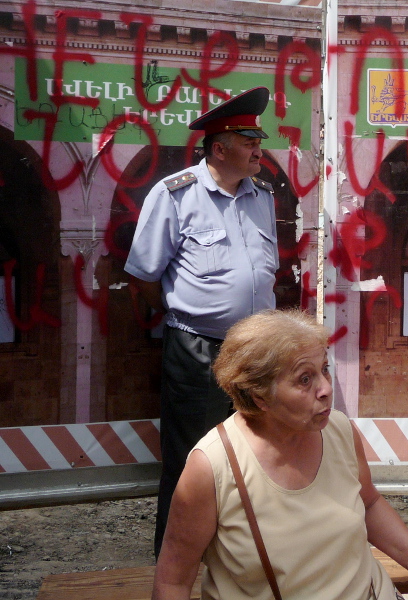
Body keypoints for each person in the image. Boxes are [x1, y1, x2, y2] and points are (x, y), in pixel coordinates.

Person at [152, 309, 408, 600]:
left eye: (324, 369)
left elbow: (368, 502)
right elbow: (172, 581)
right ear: (259, 396)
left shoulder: (339, 430)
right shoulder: (213, 465)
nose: (326, 389)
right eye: (304, 379)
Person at [124, 87, 279, 557]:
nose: (259, 150)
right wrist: (183, 313)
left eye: (258, 140)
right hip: (198, 349)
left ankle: (239, 557)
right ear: (219, 149)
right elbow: (143, 276)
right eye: (249, 141)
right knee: (191, 459)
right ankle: (176, 566)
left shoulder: (262, 197)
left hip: (256, 351)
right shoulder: (175, 194)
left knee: (254, 456)